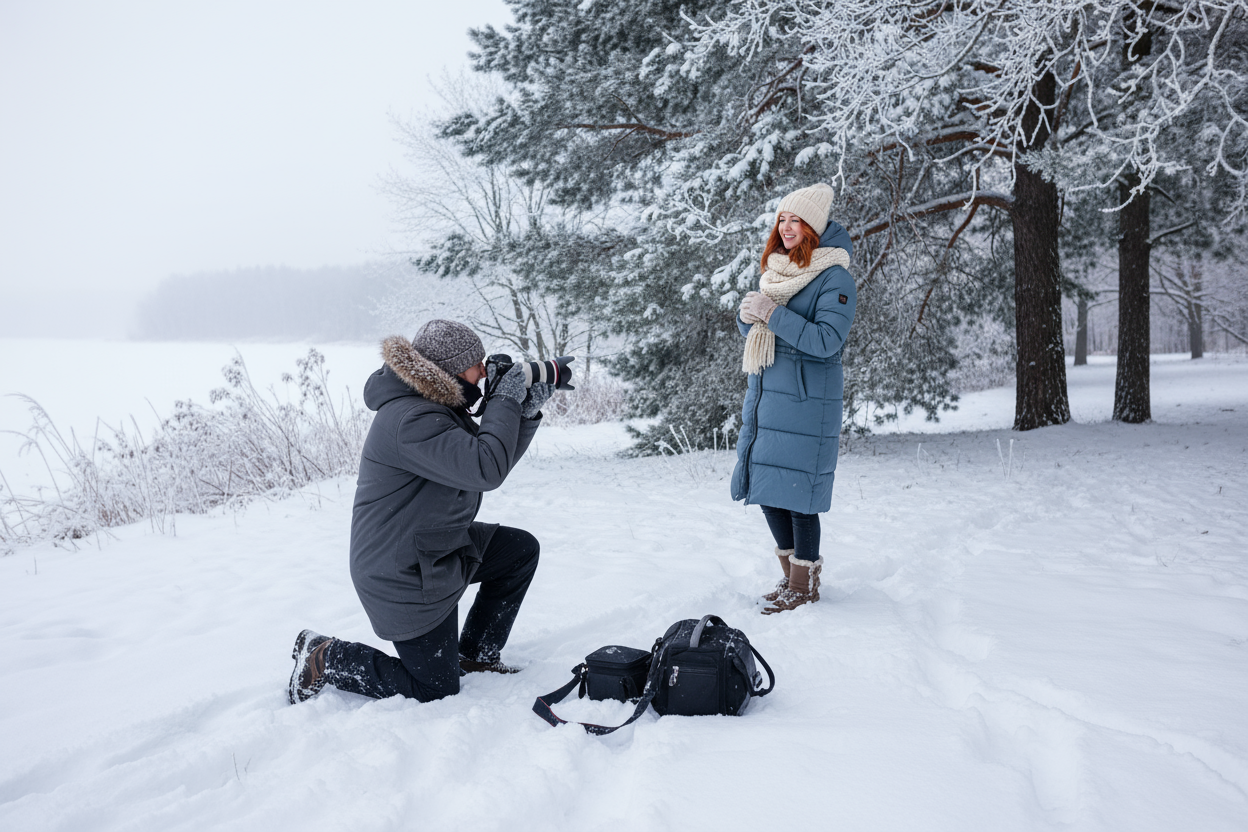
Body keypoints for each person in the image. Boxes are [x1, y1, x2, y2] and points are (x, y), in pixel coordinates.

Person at [287, 319, 553, 704]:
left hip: (434, 547)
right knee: (434, 689)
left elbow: (485, 461)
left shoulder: (434, 405)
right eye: (476, 364)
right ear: (450, 370)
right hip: (400, 572)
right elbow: (485, 468)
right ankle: (326, 656)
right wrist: (503, 401)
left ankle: (475, 656)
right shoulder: (411, 419)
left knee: (518, 551)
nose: (482, 372)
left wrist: (522, 413)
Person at [731, 183, 857, 614]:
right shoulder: (778, 270)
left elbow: (826, 340)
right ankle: (789, 578)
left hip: (808, 401)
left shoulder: (835, 277)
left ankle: (804, 586)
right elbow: (764, 333)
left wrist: (770, 313)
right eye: (782, 218)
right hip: (769, 394)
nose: (786, 227)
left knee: (799, 495)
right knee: (769, 490)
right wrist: (748, 318)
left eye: (796, 219)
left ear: (814, 227)